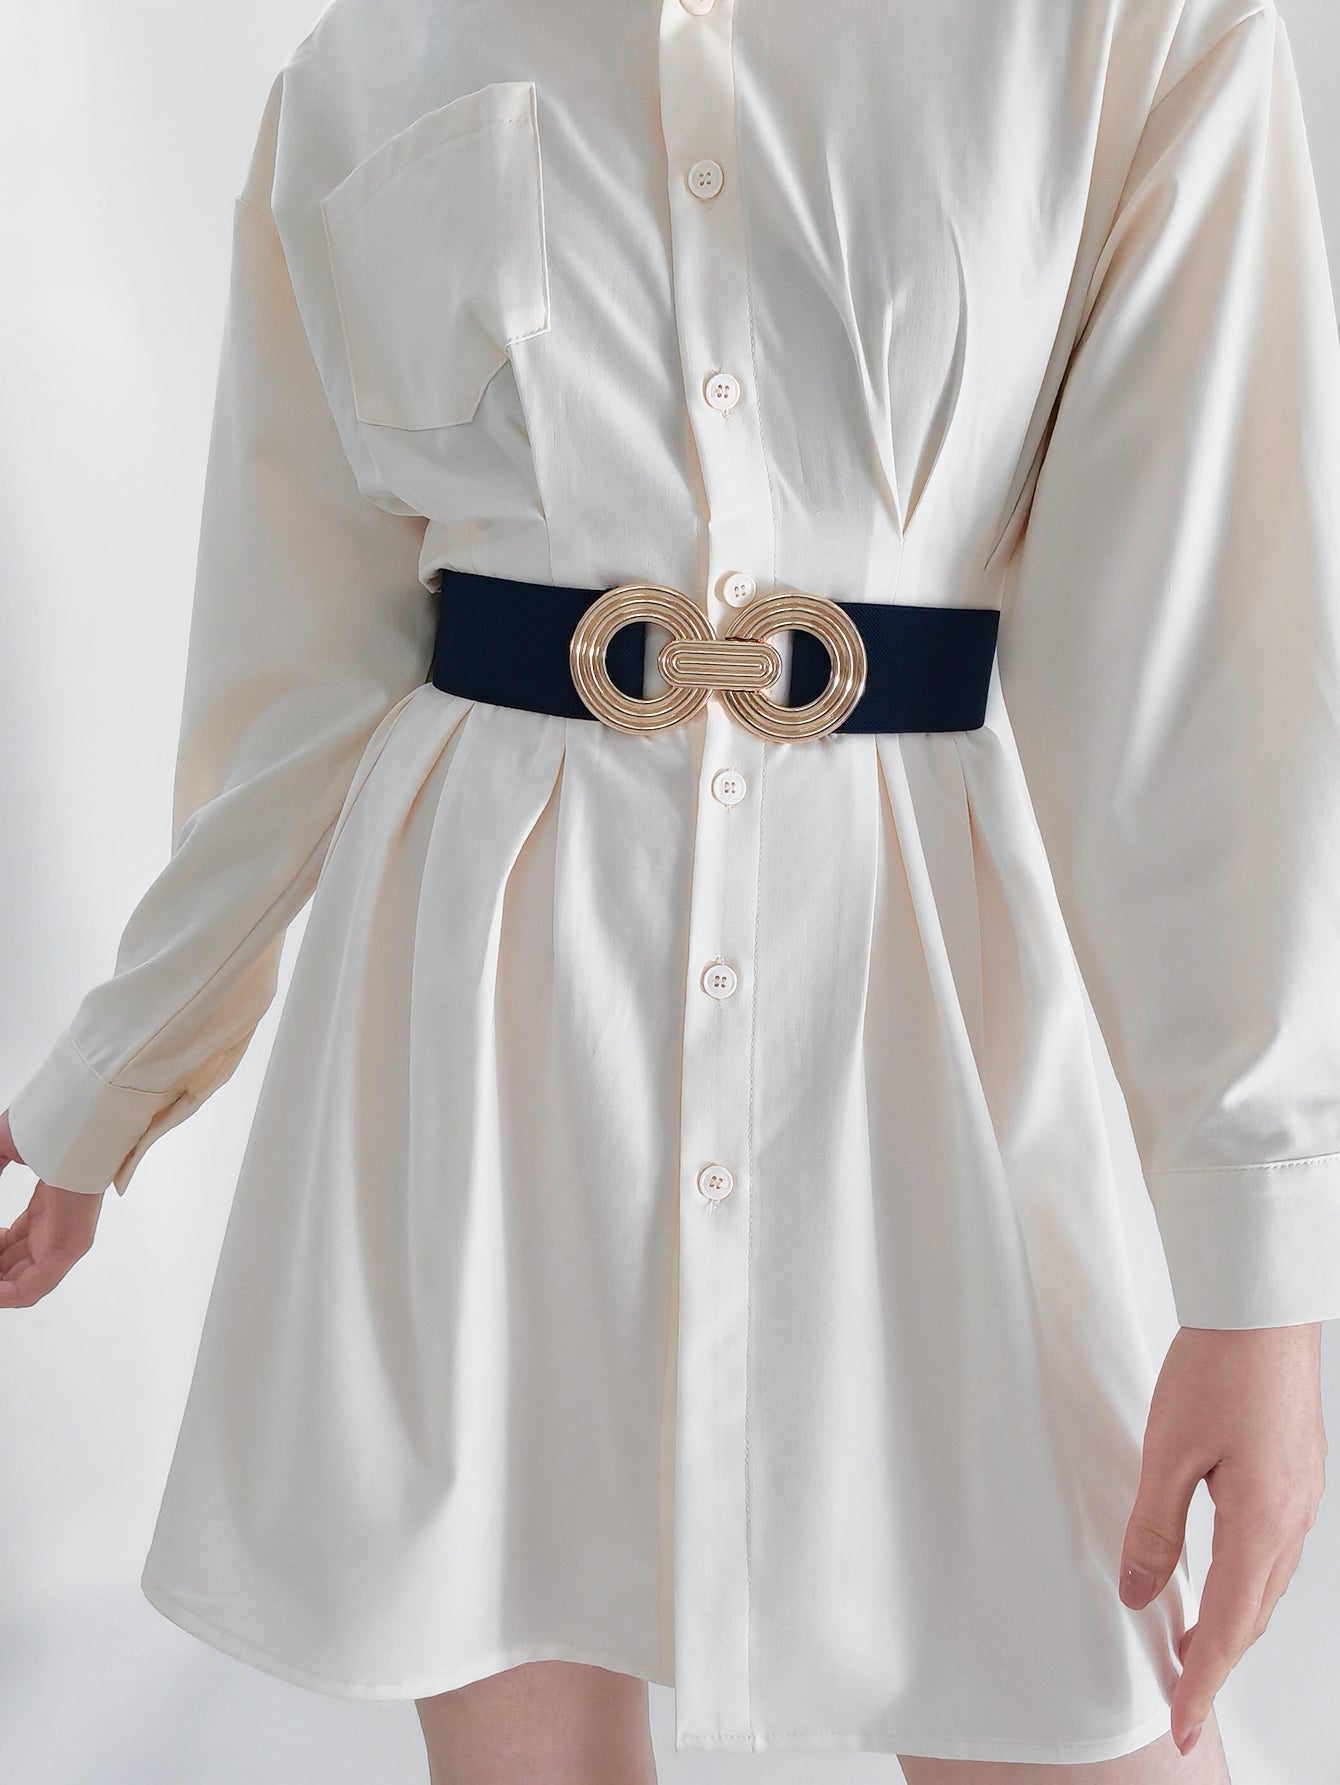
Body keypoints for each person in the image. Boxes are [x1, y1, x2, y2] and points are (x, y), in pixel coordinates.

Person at [3, 0, 1339, 1779]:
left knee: (1099, 1707)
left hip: (920, 1031)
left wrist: (1259, 1274)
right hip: (483, 1047)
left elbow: (1200, 674)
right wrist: (115, 1073)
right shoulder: (373, 58)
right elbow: (301, 669)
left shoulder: (1128, 28)